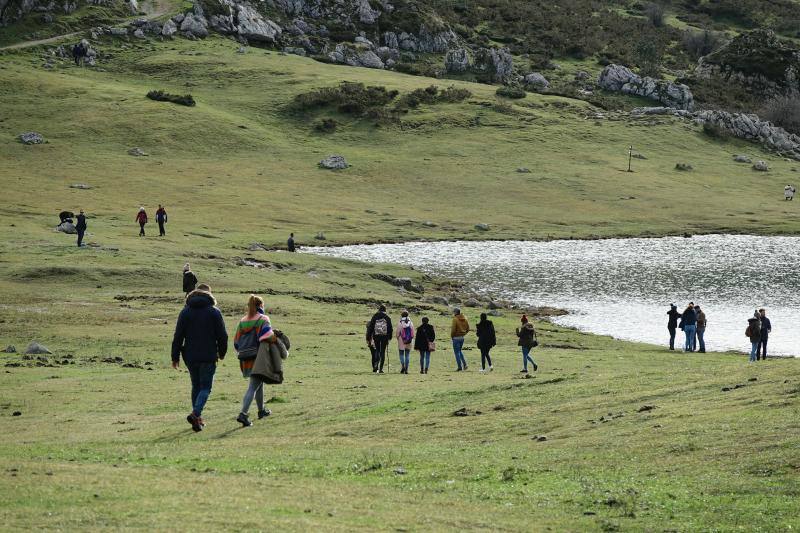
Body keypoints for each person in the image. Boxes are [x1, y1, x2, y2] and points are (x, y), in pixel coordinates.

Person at [171, 284, 228, 432]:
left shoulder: (185, 312)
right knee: (205, 387)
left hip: (190, 356)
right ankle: (196, 413)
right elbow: (222, 335)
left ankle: (197, 420)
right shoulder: (214, 312)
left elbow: (178, 335)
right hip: (208, 355)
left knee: (196, 385)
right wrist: (222, 353)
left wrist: (175, 356)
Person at [233, 295, 275, 427]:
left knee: (258, 384)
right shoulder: (263, 319)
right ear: (261, 306)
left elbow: (236, 343)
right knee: (253, 386)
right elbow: (268, 336)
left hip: (245, 358)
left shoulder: (242, 321)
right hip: (259, 358)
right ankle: (243, 414)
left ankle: (261, 410)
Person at [367, 305, 393, 373]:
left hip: (376, 336)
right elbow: (390, 328)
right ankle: (381, 369)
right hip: (385, 337)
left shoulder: (375, 316)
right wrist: (389, 337)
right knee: (383, 352)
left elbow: (371, 327)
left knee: (377, 350)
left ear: (379, 310)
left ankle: (376, 366)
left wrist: (368, 337)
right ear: (385, 310)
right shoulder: (387, 317)